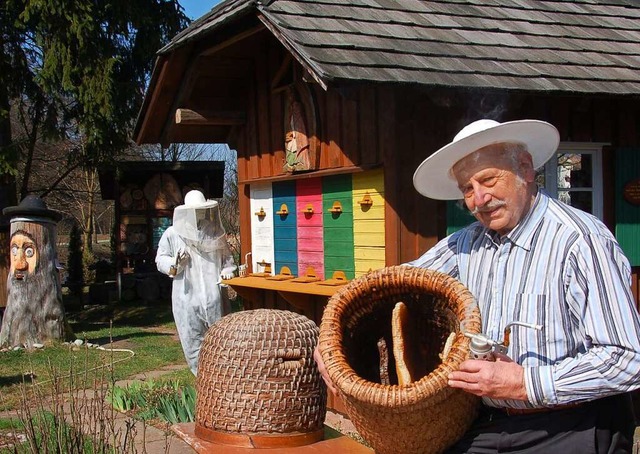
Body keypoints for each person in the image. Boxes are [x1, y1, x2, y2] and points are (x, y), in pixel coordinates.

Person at [314, 119, 640, 453]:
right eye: (467, 189)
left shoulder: (581, 241)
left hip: (575, 425)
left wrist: (524, 382)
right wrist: (329, 341)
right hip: (487, 421)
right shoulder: (465, 243)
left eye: (488, 179)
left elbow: (627, 360)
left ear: (526, 170)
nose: (479, 199)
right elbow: (384, 288)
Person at [156, 190, 236, 375]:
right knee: (193, 345)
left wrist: (227, 273)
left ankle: (222, 381)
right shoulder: (173, 233)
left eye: (201, 210)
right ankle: (202, 382)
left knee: (221, 342)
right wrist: (175, 264)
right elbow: (161, 259)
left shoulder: (215, 232)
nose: (198, 214)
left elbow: (227, 260)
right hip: (187, 299)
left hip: (214, 296)